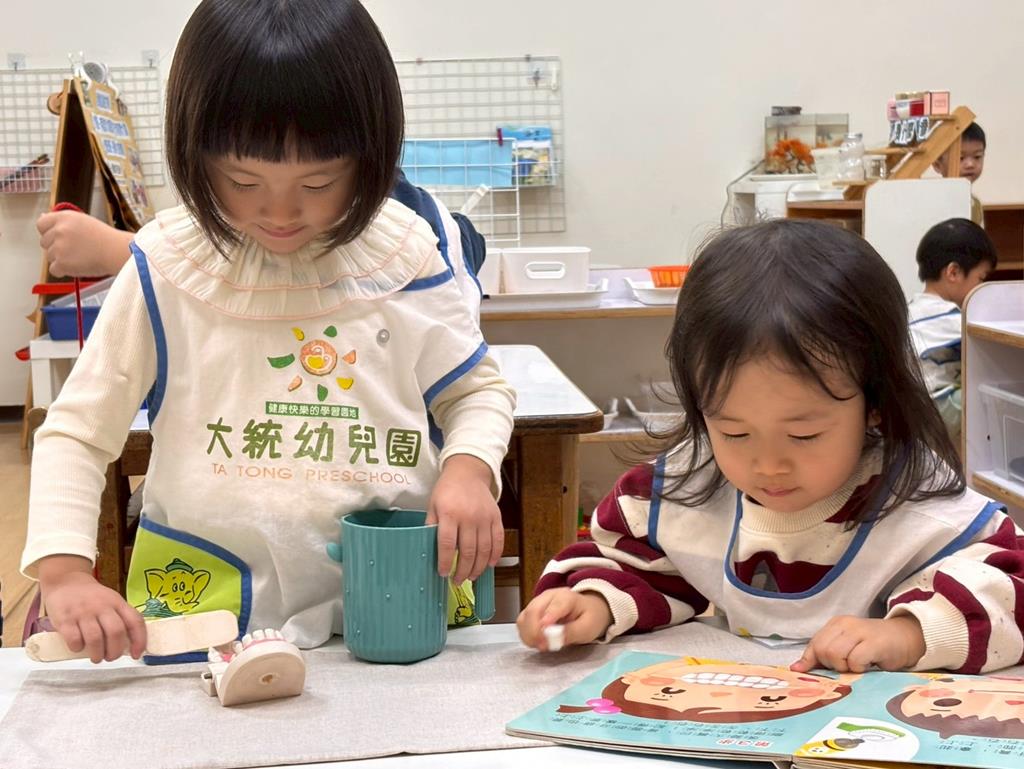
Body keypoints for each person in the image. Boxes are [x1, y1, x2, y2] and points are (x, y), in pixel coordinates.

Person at [21, 0, 516, 664]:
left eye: (319, 181)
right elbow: (78, 430)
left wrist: (469, 469)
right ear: (194, 155)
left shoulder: (406, 254)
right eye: (243, 179)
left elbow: (477, 391)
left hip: (393, 598)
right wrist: (63, 573)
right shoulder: (167, 267)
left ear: (370, 158)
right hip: (212, 610)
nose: (280, 212)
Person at [517, 219, 1023, 676]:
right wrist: (594, 602)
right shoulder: (683, 486)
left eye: (804, 435)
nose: (768, 465)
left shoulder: (918, 499)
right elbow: (635, 566)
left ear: (875, 402)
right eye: (733, 432)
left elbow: (1012, 589)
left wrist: (909, 634)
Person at [908, 218, 996, 441]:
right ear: (953, 272)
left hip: (909, 408)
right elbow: (991, 346)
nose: (982, 287)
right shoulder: (949, 318)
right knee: (995, 391)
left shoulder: (911, 309)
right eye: (981, 278)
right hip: (934, 409)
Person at [932, 122, 987, 226]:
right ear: (937, 165)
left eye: (977, 157)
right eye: (961, 158)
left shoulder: (975, 203)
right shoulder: (933, 202)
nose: (970, 164)